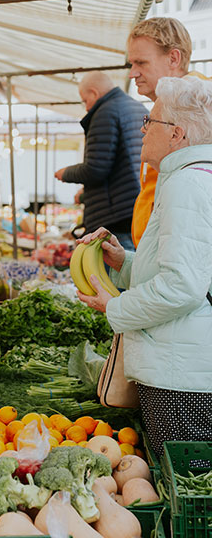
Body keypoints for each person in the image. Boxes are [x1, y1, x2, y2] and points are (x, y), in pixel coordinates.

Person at [77, 76, 212, 457]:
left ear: (177, 134)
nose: (142, 130)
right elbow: (185, 269)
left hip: (181, 376)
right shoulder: (191, 179)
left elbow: (182, 286)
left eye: (150, 122)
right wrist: (123, 262)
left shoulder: (186, 185)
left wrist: (114, 306)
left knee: (184, 482)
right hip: (184, 367)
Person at [54, 71, 145, 250]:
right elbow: (119, 168)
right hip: (135, 207)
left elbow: (96, 168)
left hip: (114, 217)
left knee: (113, 275)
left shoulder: (105, 112)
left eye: (85, 100)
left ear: (94, 93)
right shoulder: (137, 108)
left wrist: (66, 173)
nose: (86, 107)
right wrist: (86, 194)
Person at [127, 17, 192, 247]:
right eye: (131, 64)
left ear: (173, 58)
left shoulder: (197, 109)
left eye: (141, 63)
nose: (132, 73)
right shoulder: (166, 108)